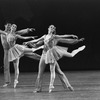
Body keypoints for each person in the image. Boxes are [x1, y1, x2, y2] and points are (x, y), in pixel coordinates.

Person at [25, 25, 85, 93]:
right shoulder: (44, 36)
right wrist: (29, 42)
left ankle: (69, 86)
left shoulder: (54, 37)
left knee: (59, 72)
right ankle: (38, 88)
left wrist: (72, 35)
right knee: (40, 73)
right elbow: (37, 40)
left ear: (54, 30)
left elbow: (63, 36)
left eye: (53, 28)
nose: (52, 28)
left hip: (51, 56)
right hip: (44, 55)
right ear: (48, 28)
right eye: (51, 27)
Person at [5, 24, 43, 88]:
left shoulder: (16, 35)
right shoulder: (6, 33)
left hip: (16, 48)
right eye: (13, 26)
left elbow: (23, 37)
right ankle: (16, 80)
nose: (14, 28)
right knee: (16, 67)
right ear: (11, 27)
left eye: (15, 27)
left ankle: (41, 47)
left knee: (31, 51)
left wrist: (31, 37)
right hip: (12, 51)